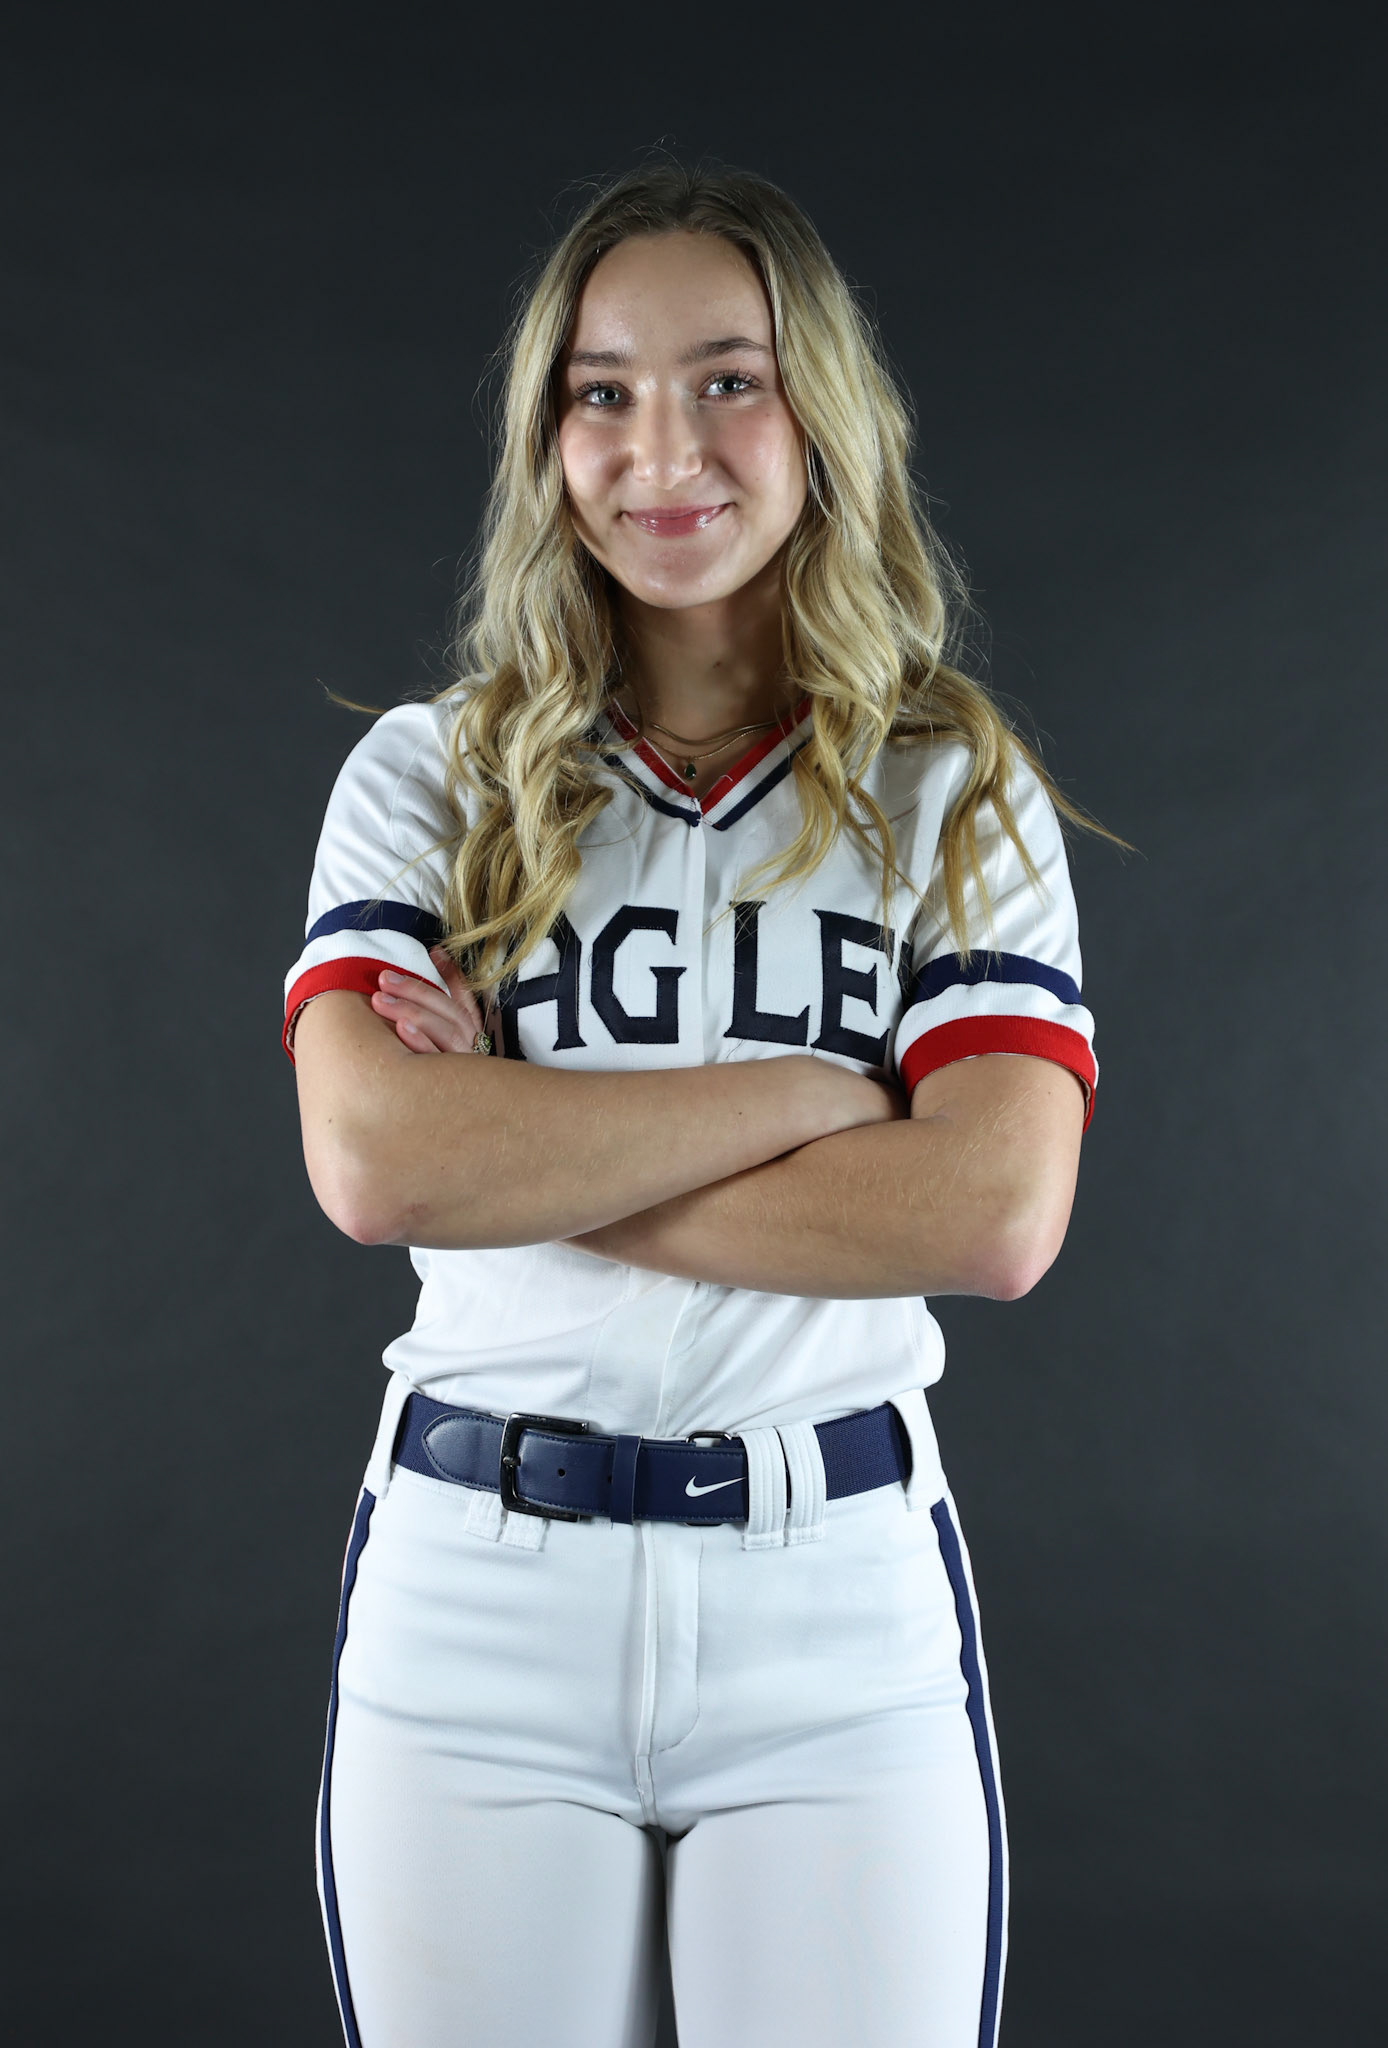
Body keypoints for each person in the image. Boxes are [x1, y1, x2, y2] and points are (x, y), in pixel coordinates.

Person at [285, 158, 1103, 2048]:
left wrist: (528, 1144)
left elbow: (987, 1214)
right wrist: (822, 1096)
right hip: (476, 1597)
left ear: (819, 409)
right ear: (545, 434)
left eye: (728, 378)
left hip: (834, 1601)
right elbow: (376, 1158)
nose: (666, 444)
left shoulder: (951, 790)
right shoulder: (433, 774)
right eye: (603, 388)